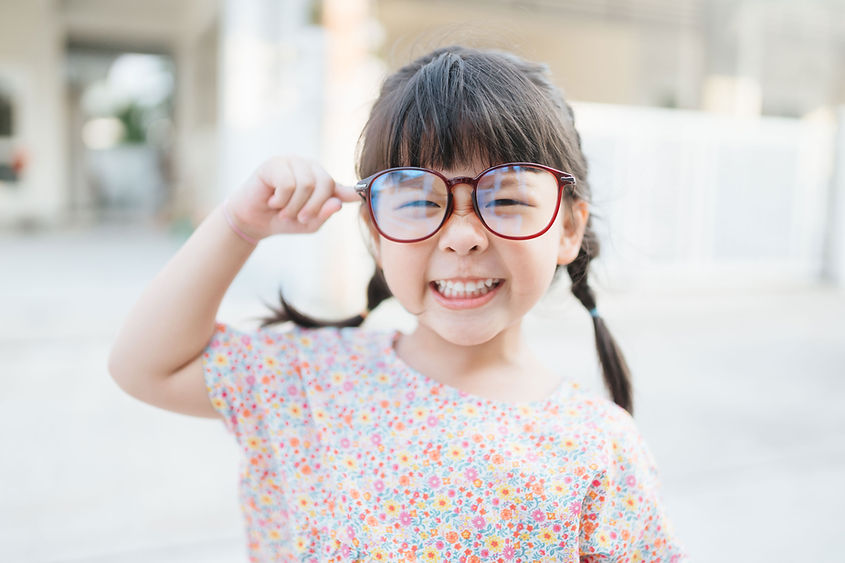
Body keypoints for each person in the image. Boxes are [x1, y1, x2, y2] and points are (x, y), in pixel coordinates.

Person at [109, 45, 686, 562]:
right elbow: (143, 366)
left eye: (506, 197)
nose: (463, 236)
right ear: (375, 230)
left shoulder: (598, 446)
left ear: (566, 229)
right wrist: (239, 222)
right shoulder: (313, 382)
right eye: (418, 200)